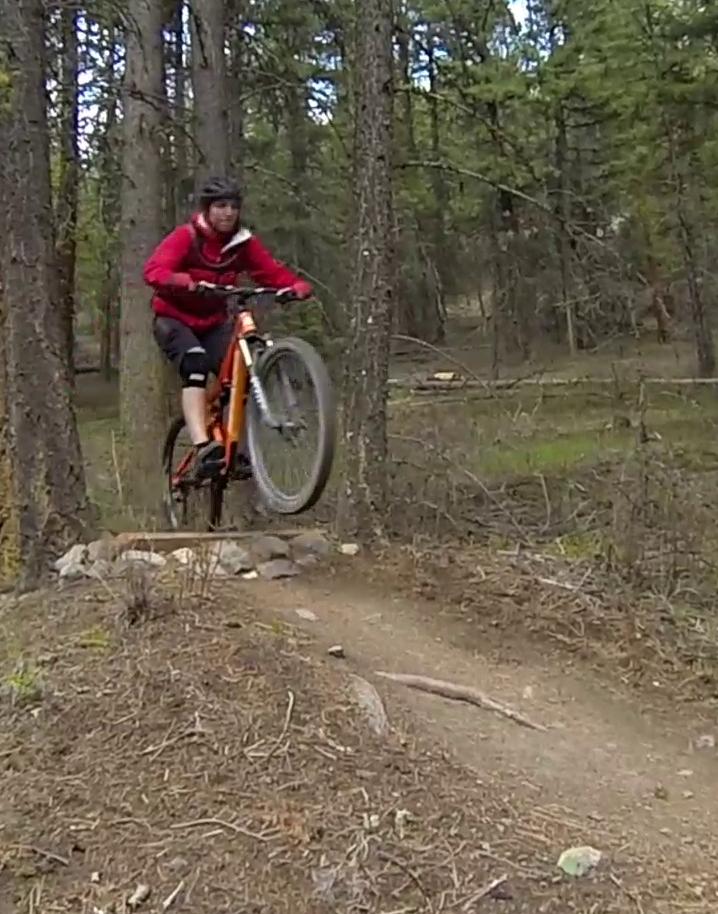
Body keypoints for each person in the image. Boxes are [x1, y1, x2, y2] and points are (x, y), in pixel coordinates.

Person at [143, 176, 312, 477]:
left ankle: (239, 448)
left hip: (212, 323)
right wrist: (184, 282)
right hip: (174, 319)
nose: (228, 213)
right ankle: (202, 446)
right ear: (207, 209)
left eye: (233, 206)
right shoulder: (186, 237)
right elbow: (154, 270)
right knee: (194, 363)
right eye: (220, 206)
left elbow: (270, 273)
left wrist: (294, 286)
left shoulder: (242, 244)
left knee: (244, 374)